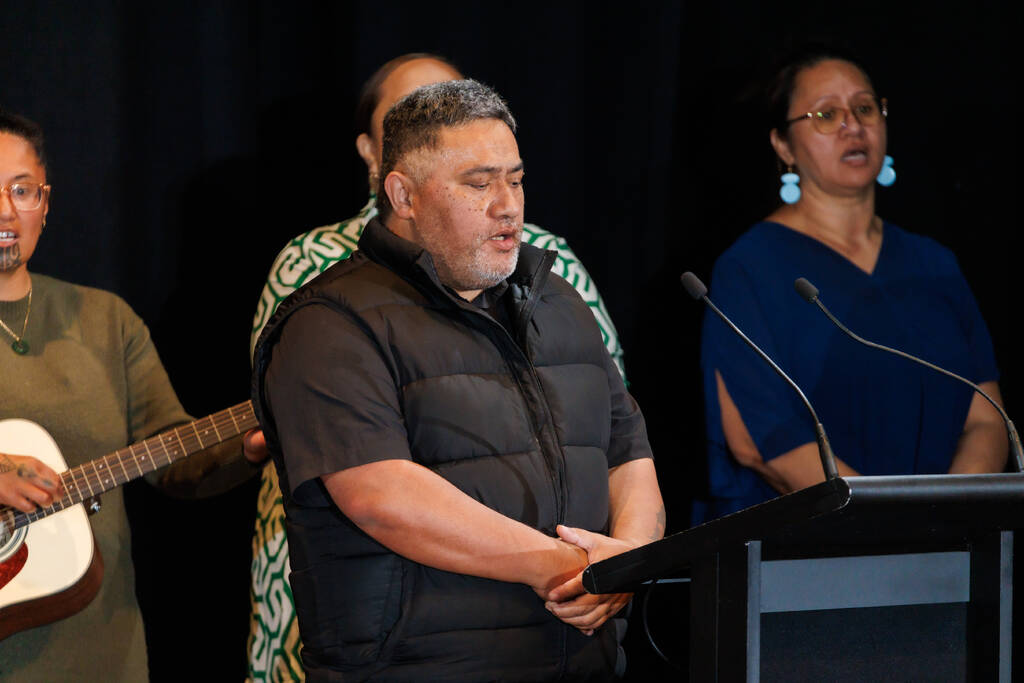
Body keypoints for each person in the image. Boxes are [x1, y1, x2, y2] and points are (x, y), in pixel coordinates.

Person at [252, 79, 664, 681]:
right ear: (403, 195)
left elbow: (629, 452)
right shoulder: (329, 322)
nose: (508, 205)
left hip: (583, 663)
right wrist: (566, 567)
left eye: (516, 179)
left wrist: (625, 561)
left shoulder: (559, 303)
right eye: (479, 183)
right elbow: (380, 496)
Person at [0, 109, 265, 680]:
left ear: (44, 202)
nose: (5, 209)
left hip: (102, 652)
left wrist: (248, 447)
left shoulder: (105, 320)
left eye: (21, 190)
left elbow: (173, 455)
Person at [696, 50, 1007, 520]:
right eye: (826, 114)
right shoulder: (749, 268)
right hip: (809, 554)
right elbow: (762, 441)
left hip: (948, 550)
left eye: (865, 108)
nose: (852, 125)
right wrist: (889, 521)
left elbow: (986, 418)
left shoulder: (934, 263)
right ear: (783, 145)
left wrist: (949, 514)